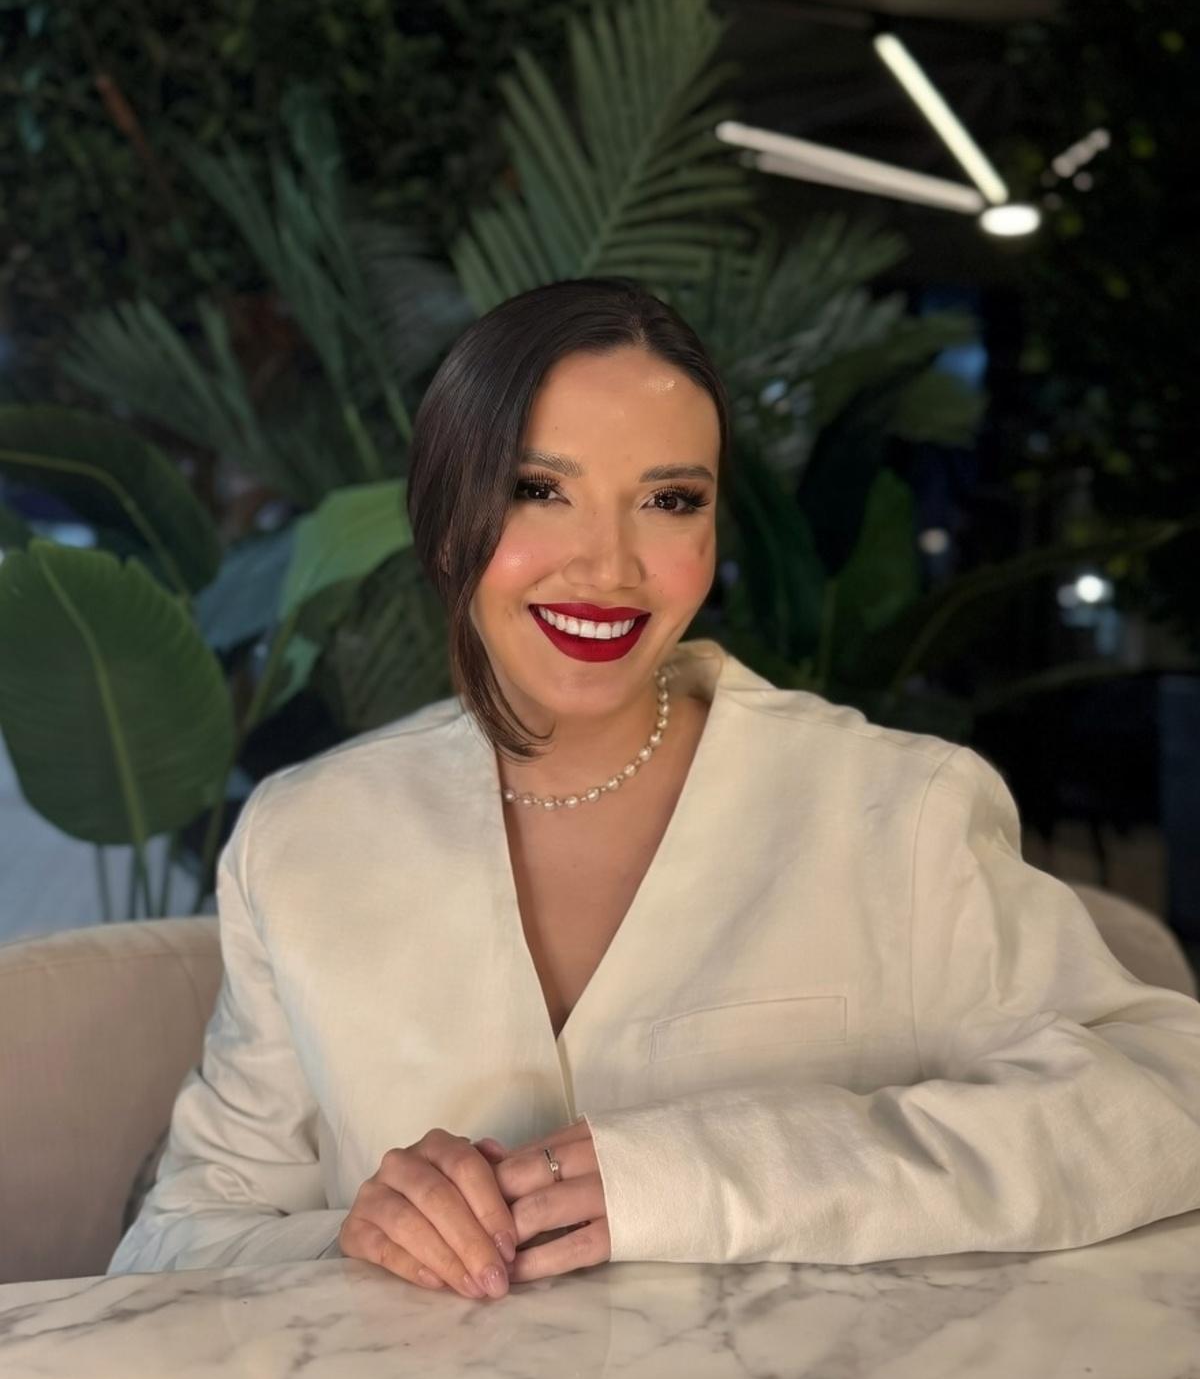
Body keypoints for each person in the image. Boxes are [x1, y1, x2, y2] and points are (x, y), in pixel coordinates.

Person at [107, 277, 1200, 1301]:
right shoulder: (305, 838)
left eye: (670, 499)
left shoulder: (895, 811)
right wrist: (359, 1234)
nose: (609, 566)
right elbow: (177, 1239)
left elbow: (1166, 1100)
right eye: (540, 490)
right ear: (444, 520)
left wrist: (721, 1168)